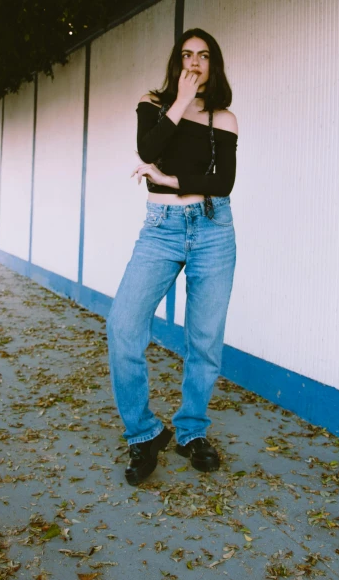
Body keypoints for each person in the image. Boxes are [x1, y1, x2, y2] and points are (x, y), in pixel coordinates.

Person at [106, 27, 238, 485]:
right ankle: (143, 434)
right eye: (187, 55)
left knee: (204, 339)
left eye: (203, 55)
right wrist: (179, 103)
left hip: (212, 229)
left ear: (213, 63)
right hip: (160, 230)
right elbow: (148, 150)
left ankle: (191, 431)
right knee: (123, 324)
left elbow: (223, 185)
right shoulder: (153, 103)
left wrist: (166, 180)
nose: (194, 63)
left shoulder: (225, 118)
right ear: (177, 62)